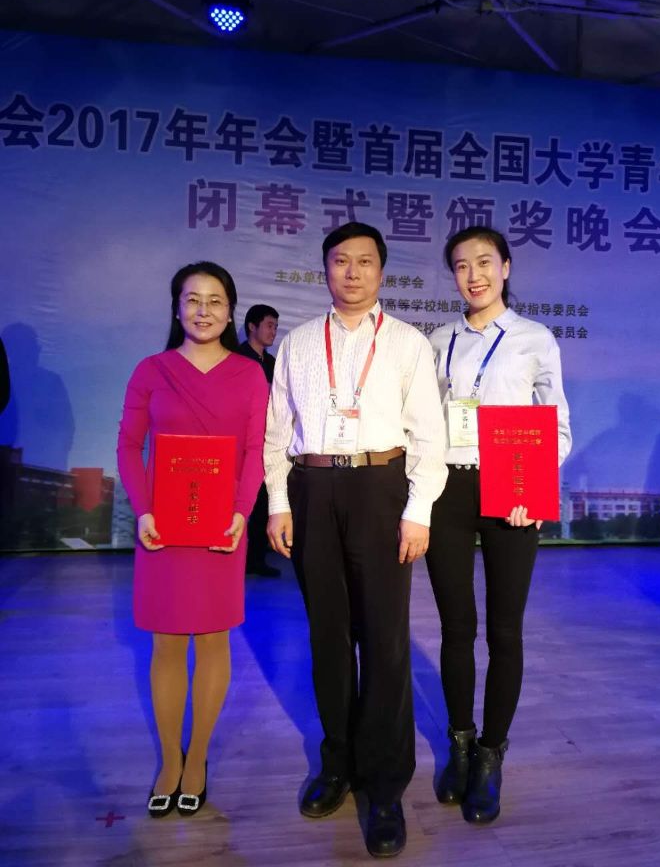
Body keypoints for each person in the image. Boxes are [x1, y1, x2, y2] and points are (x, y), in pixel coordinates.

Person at [264, 222, 447, 858]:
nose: (352, 272)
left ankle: (386, 786)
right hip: (313, 487)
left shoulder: (407, 343)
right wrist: (279, 502)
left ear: (381, 272)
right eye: (340, 261)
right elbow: (276, 430)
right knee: (329, 637)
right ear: (325, 269)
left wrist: (418, 510)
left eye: (364, 262)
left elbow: (429, 436)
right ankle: (337, 762)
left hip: (380, 487)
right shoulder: (297, 342)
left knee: (387, 642)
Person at [426, 227, 571, 825]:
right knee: (456, 627)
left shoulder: (535, 338)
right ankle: (460, 743)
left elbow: (557, 426)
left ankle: (491, 754)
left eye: (484, 262)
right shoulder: (437, 341)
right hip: (449, 490)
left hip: (512, 490)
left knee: (505, 631)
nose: (474, 275)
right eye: (462, 266)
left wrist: (532, 488)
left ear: (506, 267)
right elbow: (424, 422)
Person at [117, 261, 268, 818]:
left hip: (220, 526)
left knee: (212, 640)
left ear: (230, 312)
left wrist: (241, 513)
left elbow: (255, 450)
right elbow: (129, 445)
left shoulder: (249, 374)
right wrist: (143, 510)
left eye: (215, 301)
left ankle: (197, 757)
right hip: (164, 527)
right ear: (177, 307)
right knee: (165, 643)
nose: (203, 310)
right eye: (192, 299)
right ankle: (169, 760)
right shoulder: (151, 369)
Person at [239, 304, 280, 577]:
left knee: (263, 500)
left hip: (266, 439)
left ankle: (256, 559)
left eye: (275, 326)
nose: (273, 331)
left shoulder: (273, 363)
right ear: (252, 327)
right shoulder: (237, 358)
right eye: (269, 325)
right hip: (241, 439)